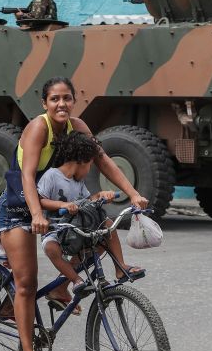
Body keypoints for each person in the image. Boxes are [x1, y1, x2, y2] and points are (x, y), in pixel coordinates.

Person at [0, 76, 149, 351]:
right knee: (25, 283)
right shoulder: (39, 128)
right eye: (54, 99)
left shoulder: (79, 127)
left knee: (100, 237)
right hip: (19, 202)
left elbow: (103, 161)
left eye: (66, 98)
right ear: (44, 103)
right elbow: (27, 175)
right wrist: (36, 214)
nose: (61, 104)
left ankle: (62, 286)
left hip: (56, 203)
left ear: (74, 100)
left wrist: (133, 194)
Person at [37, 131, 146, 315]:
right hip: (56, 230)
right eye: (90, 165)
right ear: (81, 161)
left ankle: (120, 267)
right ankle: (75, 280)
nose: (90, 169)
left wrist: (102, 195)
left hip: (77, 230)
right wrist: (63, 204)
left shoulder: (78, 181)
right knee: (51, 249)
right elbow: (40, 200)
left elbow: (88, 201)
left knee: (106, 227)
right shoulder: (52, 176)